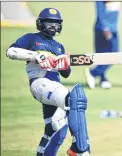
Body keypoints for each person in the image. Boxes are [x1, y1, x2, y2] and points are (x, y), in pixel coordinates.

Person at [6, 8, 91, 156]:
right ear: (40, 23)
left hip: (54, 86)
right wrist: (36, 56)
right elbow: (11, 51)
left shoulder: (59, 47)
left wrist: (65, 64)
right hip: (39, 83)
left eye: (56, 24)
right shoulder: (31, 38)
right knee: (74, 99)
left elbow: (66, 74)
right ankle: (80, 148)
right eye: (49, 23)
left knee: (56, 128)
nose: (53, 27)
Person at [85, 1, 121, 89]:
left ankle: (98, 76)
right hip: (102, 29)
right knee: (103, 55)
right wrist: (105, 28)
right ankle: (98, 76)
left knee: (113, 54)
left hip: (114, 29)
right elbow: (100, 11)